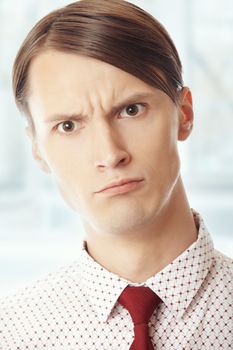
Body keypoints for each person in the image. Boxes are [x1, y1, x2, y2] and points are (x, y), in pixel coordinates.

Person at [0, 0, 232, 349]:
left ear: (184, 114)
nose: (110, 154)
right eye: (68, 125)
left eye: (131, 110)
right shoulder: (12, 332)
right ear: (37, 150)